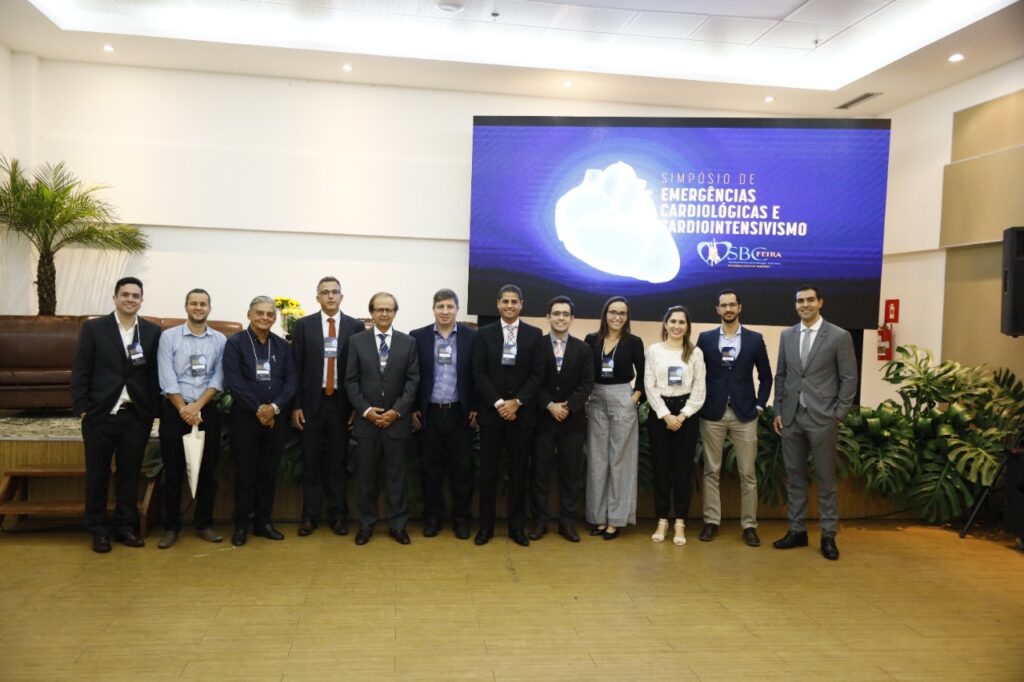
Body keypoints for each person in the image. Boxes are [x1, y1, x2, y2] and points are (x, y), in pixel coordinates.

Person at [71, 276, 161, 553]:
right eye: (125, 294)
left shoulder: (152, 331)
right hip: (100, 414)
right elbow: (81, 369)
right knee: (97, 475)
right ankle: (98, 530)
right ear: (115, 298)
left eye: (135, 296)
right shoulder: (94, 328)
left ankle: (125, 527)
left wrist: (151, 410)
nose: (130, 299)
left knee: (129, 474)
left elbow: (154, 375)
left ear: (141, 301)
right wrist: (82, 408)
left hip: (136, 416)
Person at [772, 284, 857, 561]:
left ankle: (828, 535)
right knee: (794, 477)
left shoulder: (839, 336)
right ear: (795, 305)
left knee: (826, 479)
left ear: (820, 302)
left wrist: (839, 413)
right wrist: (778, 410)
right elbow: (782, 376)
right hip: (791, 417)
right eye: (800, 301)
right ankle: (797, 531)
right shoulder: (787, 335)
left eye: (810, 300)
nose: (805, 305)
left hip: (823, 418)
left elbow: (849, 377)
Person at [695, 289, 772, 547]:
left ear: (740, 307)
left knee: (748, 473)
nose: (728, 309)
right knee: (711, 471)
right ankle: (711, 522)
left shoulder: (754, 339)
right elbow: (696, 374)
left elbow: (766, 376)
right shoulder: (705, 339)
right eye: (723, 305)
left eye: (732, 305)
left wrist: (759, 406)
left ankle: (749, 526)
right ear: (717, 309)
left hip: (745, 415)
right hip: (712, 414)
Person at [471, 284, 545, 546]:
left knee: (518, 475)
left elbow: (538, 374)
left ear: (521, 304)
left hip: (522, 417)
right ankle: (486, 528)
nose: (510, 306)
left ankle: (516, 528)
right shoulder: (484, 334)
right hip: (492, 416)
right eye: (505, 301)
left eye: (514, 301)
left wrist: (517, 402)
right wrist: (500, 403)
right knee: (488, 474)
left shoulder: (535, 335)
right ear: (498, 304)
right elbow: (479, 372)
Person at [291, 276, 365, 538]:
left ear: (342, 297)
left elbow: (361, 370)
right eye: (325, 292)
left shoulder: (355, 326)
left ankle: (338, 516)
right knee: (311, 462)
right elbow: (295, 368)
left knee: (338, 463)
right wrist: (296, 405)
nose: (330, 296)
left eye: (335, 292)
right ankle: (309, 517)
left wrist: (357, 407)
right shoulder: (303, 325)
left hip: (342, 405)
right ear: (317, 297)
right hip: (311, 404)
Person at [344, 292, 420, 545]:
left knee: (397, 478)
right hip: (367, 423)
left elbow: (413, 381)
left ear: (395, 313)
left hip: (397, 422)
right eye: (379, 309)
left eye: (389, 309)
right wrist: (367, 411)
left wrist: (396, 411)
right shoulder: (357, 342)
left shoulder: (408, 342)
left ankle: (398, 526)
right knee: (366, 478)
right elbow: (350, 381)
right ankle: (366, 525)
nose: (384, 314)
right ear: (372, 313)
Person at [155, 288, 227, 549]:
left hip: (206, 409)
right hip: (176, 410)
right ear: (186, 307)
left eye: (203, 304)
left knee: (208, 472)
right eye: (194, 303)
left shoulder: (220, 340)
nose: (198, 307)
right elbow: (166, 376)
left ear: (209, 308)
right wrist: (184, 408)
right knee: (172, 472)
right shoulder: (169, 337)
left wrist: (197, 406)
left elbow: (219, 377)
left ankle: (204, 524)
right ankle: (171, 527)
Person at [222, 296, 297, 546]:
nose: (265, 317)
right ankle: (241, 525)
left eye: (269, 314)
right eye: (260, 313)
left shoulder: (282, 346)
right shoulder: (235, 343)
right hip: (245, 419)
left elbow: (291, 381)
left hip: (276, 420)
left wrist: (273, 408)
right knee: (245, 474)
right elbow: (234, 381)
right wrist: (259, 409)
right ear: (249, 315)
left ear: (274, 318)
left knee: (268, 474)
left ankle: (263, 522)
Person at [410, 289, 477, 540]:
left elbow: (478, 374)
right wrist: (413, 408)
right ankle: (432, 519)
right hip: (429, 414)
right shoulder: (418, 337)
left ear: (457, 309)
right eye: (441, 307)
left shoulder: (472, 337)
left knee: (462, 470)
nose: (445, 311)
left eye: (450, 307)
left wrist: (476, 406)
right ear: (433, 309)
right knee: (430, 470)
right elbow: (411, 376)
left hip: (461, 413)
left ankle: (461, 520)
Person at [530, 296, 594, 543]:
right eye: (556, 313)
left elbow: (586, 384)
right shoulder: (536, 345)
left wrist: (567, 406)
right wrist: (550, 405)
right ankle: (540, 521)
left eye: (565, 314)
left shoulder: (583, 349)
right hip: (542, 421)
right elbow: (531, 380)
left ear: (572, 318)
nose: (560, 318)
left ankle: (567, 523)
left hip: (572, 422)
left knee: (571, 475)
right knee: (540, 474)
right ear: (548, 317)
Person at [584, 296, 645, 540]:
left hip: (623, 397)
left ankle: (616, 520)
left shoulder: (634, 342)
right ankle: (598, 518)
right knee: (597, 460)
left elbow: (644, 375)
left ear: (627, 317)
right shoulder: (591, 340)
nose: (617, 317)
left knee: (620, 461)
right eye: (613, 312)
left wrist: (634, 398)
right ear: (605, 314)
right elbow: (584, 371)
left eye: (622, 313)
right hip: (596, 397)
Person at [644, 306, 705, 546]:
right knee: (661, 470)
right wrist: (666, 415)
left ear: (687, 327)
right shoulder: (654, 350)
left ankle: (680, 521)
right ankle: (662, 520)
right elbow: (649, 385)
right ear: (665, 324)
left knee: (682, 471)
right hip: (660, 414)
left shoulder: (695, 353)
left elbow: (700, 388)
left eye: (681, 322)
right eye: (673, 321)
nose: (677, 326)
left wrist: (683, 415)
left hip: (686, 415)